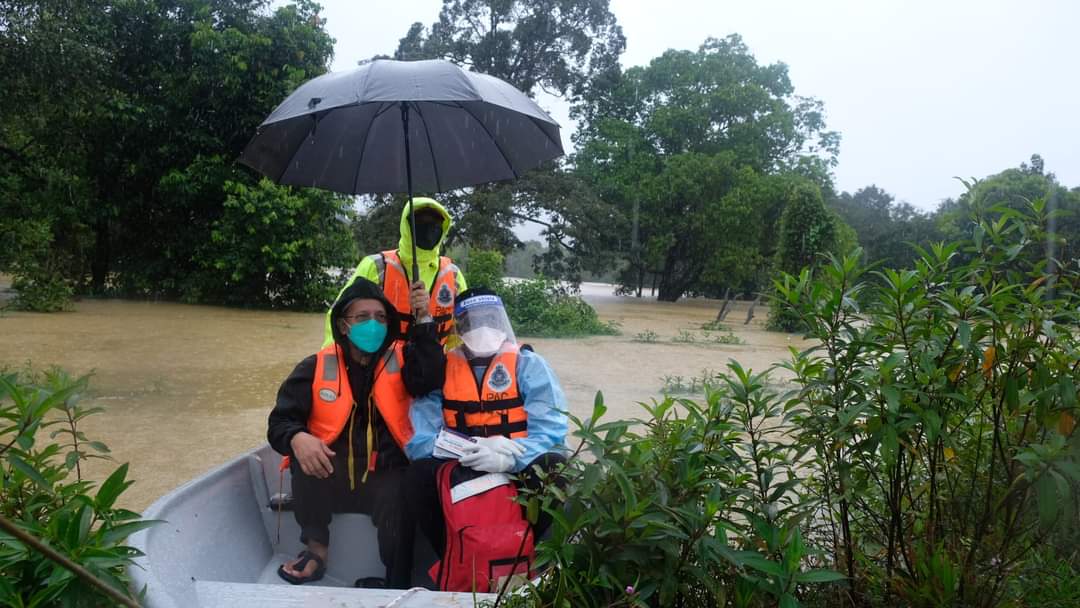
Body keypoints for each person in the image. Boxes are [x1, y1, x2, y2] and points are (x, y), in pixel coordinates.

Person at [268, 278, 445, 587]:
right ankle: (316, 552)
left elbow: (431, 378)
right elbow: (279, 423)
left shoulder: (404, 360)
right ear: (343, 325)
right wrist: (298, 438)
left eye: (380, 317)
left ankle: (396, 579)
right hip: (329, 483)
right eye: (362, 317)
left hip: (385, 482)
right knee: (307, 456)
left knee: (407, 483)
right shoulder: (313, 367)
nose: (373, 324)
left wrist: (425, 318)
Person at [403, 287, 569, 559]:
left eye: (491, 319)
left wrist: (508, 458)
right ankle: (451, 555)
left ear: (502, 321)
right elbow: (420, 440)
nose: (482, 328)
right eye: (471, 321)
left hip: (516, 461)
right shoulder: (442, 369)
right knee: (417, 475)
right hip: (462, 464)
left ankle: (530, 550)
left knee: (554, 467)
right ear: (459, 327)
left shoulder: (529, 364)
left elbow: (551, 430)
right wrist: (463, 450)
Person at [324, 197, 467, 347]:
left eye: (435, 223)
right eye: (420, 221)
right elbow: (338, 316)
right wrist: (336, 362)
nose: (429, 227)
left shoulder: (453, 274)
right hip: (385, 364)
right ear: (407, 225)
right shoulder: (377, 266)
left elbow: (462, 331)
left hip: (433, 363)